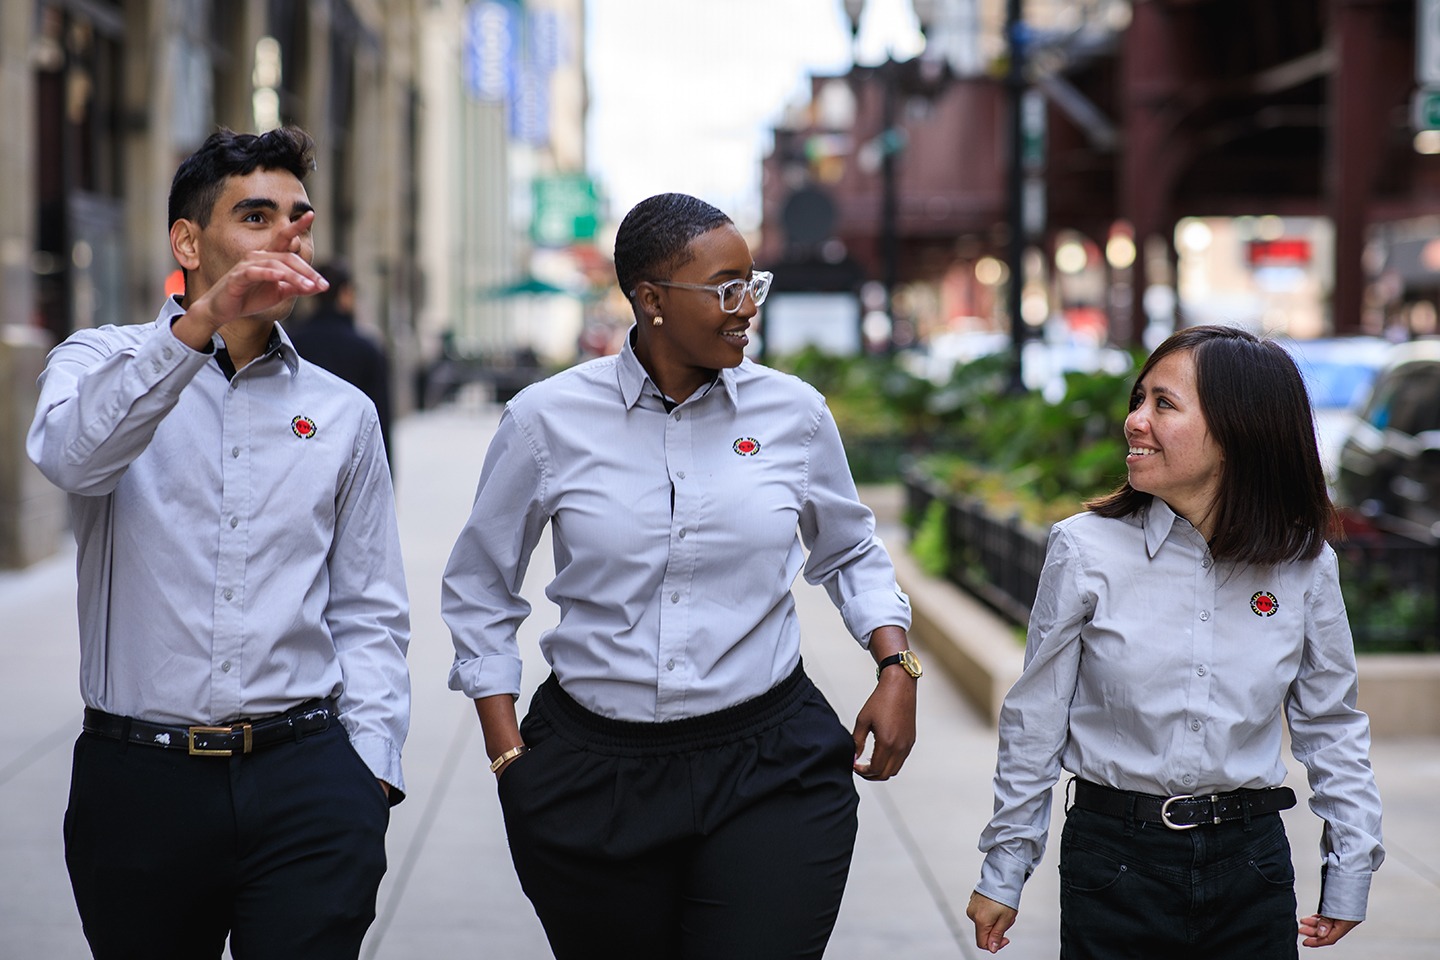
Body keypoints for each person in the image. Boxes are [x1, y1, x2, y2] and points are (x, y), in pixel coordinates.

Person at [441, 192, 920, 960]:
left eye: (751, 285)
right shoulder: (545, 420)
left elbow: (850, 549)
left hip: (770, 765)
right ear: (651, 300)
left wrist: (896, 666)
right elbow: (479, 588)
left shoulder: (792, 414)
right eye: (725, 288)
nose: (746, 309)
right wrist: (509, 758)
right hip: (594, 775)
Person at [27, 126, 410, 960]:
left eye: (298, 220)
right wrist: (200, 324)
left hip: (307, 777)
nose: (286, 235)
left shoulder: (342, 411)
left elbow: (371, 605)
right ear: (188, 242)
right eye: (257, 215)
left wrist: (369, 773)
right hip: (141, 781)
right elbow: (75, 460)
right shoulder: (99, 360)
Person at [966, 324, 1384, 959]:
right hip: (1114, 864)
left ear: (1239, 429)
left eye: (1164, 404)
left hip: (1253, 866)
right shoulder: (1084, 549)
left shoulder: (1302, 564)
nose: (1135, 421)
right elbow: (1035, 722)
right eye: (1139, 400)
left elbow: (1330, 724)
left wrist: (1350, 868)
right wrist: (1005, 868)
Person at [288, 260, 394, 472]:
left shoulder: (291, 345)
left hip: (298, 462)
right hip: (352, 463)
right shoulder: (367, 349)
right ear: (345, 294)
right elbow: (380, 419)